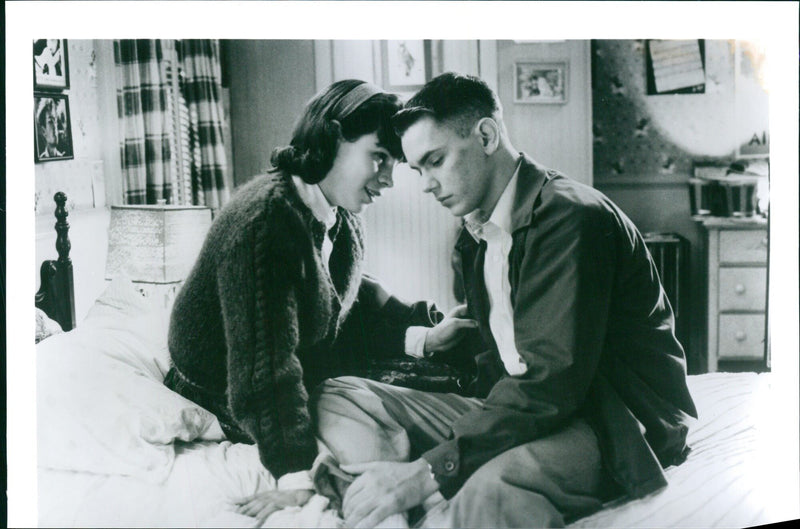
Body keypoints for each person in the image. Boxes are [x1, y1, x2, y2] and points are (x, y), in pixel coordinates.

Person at [311, 72, 698, 528]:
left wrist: (426, 472)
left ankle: (405, 493)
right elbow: (505, 360)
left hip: (605, 418)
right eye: (418, 169)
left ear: (487, 135)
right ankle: (386, 500)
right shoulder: (475, 234)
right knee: (339, 395)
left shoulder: (572, 218)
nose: (427, 184)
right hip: (527, 409)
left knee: (486, 495)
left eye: (435, 160)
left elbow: (551, 378)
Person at [165, 79, 476, 525]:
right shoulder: (264, 224)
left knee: (436, 387)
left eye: (395, 165)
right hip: (226, 393)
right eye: (379, 158)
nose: (388, 180)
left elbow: (341, 305)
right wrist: (294, 480)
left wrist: (425, 337)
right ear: (331, 139)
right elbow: (263, 370)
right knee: (363, 448)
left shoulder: (339, 216)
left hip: (296, 363)